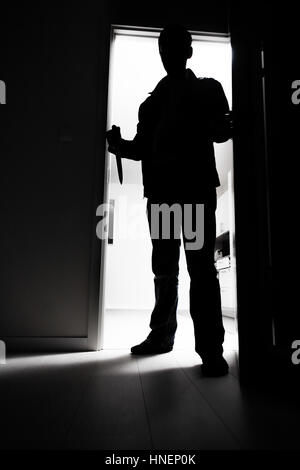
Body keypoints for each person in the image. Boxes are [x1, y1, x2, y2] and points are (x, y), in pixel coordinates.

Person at [107, 24, 233, 377]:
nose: (169, 52)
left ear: (188, 51)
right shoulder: (153, 103)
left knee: (198, 270)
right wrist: (119, 146)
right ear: (162, 52)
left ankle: (207, 349)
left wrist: (225, 123)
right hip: (166, 195)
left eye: (175, 46)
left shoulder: (206, 90)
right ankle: (169, 338)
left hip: (190, 195)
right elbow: (142, 148)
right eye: (165, 47)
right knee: (167, 269)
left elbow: (222, 131)